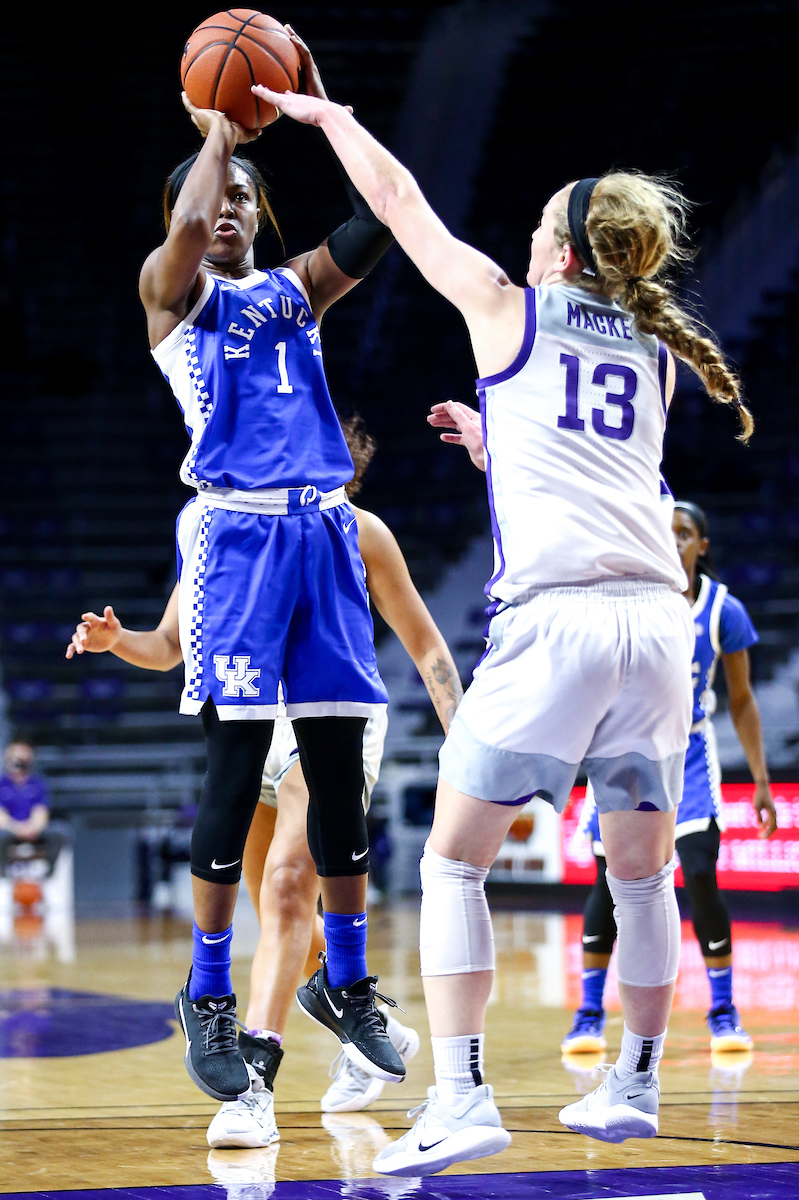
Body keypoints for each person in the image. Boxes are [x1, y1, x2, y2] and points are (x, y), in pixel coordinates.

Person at [252, 78, 754, 1174]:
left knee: (452, 866)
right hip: (656, 634)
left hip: (558, 627)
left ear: (566, 256)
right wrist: (496, 442)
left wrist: (333, 123)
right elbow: (603, 465)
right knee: (640, 874)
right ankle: (630, 1083)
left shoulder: (499, 303)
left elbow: (397, 201)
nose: (522, 247)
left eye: (536, 235)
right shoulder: (656, 358)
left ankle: (462, 1095)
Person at [66, 417, 463, 1148]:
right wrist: (117, 640)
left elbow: (426, 643)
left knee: (285, 888)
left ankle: (254, 1082)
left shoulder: (360, 532)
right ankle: (381, 1029)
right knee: (278, 913)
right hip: (255, 719)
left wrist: (462, 735)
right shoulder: (228, 529)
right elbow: (168, 648)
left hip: (331, 718)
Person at [138, 28, 401, 1104]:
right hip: (239, 540)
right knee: (235, 766)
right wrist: (213, 134)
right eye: (218, 196)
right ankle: (206, 996)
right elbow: (190, 229)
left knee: (336, 774)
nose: (231, 207)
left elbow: (381, 221)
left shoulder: (295, 290)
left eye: (249, 192)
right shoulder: (174, 298)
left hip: (323, 533)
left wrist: (330, 117)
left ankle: (343, 983)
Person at [562, 499, 776, 1057]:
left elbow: (744, 700)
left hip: (691, 752)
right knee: (609, 881)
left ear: (701, 545)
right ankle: (588, 1015)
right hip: (625, 750)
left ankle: (724, 1010)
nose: (674, 540)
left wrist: (759, 781)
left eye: (685, 533)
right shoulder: (630, 597)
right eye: (666, 531)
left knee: (701, 874)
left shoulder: (722, 609)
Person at [0, 742, 65, 877]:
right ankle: (2, 874)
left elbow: (41, 812)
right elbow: (1, 815)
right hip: (10, 830)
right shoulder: (2, 784)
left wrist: (33, 828)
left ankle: (49, 873)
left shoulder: (37, 784)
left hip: (33, 830)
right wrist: (17, 829)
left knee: (59, 831)